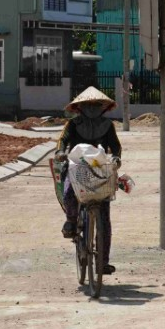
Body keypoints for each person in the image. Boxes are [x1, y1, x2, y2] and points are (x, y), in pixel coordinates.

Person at [58, 86, 122, 275]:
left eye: (96, 105)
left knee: (105, 218)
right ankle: (71, 221)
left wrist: (117, 158)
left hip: (99, 169)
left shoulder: (108, 126)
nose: (92, 108)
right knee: (69, 191)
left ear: (102, 107)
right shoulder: (72, 124)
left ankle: (103, 262)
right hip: (76, 168)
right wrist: (61, 152)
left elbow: (116, 147)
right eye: (88, 105)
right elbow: (62, 141)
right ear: (80, 107)